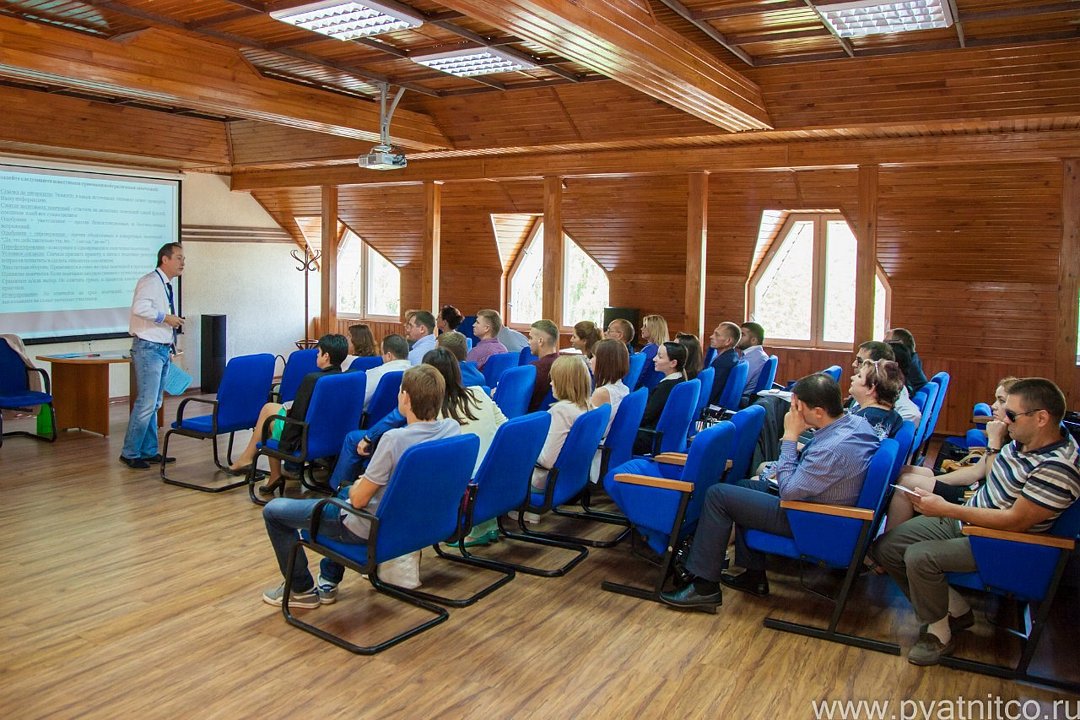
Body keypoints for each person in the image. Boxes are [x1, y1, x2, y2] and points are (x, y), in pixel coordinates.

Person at [871, 378, 1080, 666]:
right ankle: (955, 609)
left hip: (1001, 541)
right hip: (973, 518)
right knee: (887, 548)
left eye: (1011, 414)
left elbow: (1015, 522)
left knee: (919, 557)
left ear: (1041, 418)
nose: (1004, 419)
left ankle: (938, 633)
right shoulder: (1025, 439)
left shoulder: (1058, 467)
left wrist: (948, 509)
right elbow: (991, 477)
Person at [660, 373, 880, 611]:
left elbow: (788, 492)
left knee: (718, 495)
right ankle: (754, 576)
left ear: (818, 412)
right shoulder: (856, 423)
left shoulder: (831, 449)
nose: (793, 412)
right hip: (819, 503)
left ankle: (705, 588)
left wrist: (790, 436)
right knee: (743, 487)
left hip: (811, 519)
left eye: (797, 407)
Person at [260, 364, 460, 608]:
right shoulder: (451, 429)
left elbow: (358, 501)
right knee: (343, 493)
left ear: (405, 398)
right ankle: (328, 579)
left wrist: (358, 486)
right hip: (417, 523)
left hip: (371, 527)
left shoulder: (394, 440)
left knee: (274, 512)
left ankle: (300, 589)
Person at [880, 376, 1019, 534]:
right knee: (903, 471)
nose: (993, 406)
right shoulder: (1004, 433)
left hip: (977, 499)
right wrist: (932, 481)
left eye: (1001, 401)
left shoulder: (1009, 440)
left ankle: (890, 540)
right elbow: (974, 472)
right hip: (974, 485)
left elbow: (993, 483)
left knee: (907, 484)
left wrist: (994, 441)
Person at [228, 334, 348, 493]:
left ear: (326, 356)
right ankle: (257, 464)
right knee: (270, 409)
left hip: (305, 436)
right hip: (330, 435)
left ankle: (265, 469)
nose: (316, 356)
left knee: (269, 420)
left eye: (318, 353)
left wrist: (285, 441)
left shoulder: (313, 379)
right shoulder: (347, 378)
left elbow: (298, 414)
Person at [120, 242, 185, 469]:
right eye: (178, 258)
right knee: (146, 402)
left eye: (183, 259)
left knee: (155, 403)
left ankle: (148, 450)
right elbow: (139, 308)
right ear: (164, 259)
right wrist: (166, 318)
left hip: (161, 348)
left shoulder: (165, 284)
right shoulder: (150, 281)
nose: (182, 263)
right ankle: (129, 452)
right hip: (148, 349)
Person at [531, 355, 593, 493]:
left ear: (564, 383)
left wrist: (528, 449)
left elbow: (547, 461)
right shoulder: (589, 407)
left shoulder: (561, 411)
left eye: (554, 379)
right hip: (572, 478)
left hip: (542, 481)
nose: (551, 384)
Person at [633, 341, 688, 455]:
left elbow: (646, 416)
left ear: (673, 363)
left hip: (650, 437)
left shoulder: (666, 387)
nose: (654, 359)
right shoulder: (680, 380)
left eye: (660, 356)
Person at [850, 341, 922, 425]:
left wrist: (885, 427)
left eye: (859, 360)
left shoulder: (890, 391)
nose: (854, 364)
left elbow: (913, 414)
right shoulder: (867, 389)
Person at [589, 339, 630, 482]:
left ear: (604, 362)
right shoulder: (623, 388)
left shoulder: (602, 393)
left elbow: (590, 432)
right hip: (611, 451)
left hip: (596, 455)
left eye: (593, 357)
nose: (590, 361)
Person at [848, 358, 905, 440]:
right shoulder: (892, 415)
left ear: (871, 388)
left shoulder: (864, 422)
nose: (852, 377)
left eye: (859, 376)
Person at [363, 334, 411, 411]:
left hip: (377, 418)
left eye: (382, 354)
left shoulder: (378, 373)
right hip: (407, 417)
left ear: (389, 356)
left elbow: (360, 399)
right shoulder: (417, 373)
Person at [527, 319, 564, 412]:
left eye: (531, 338)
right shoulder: (564, 364)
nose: (528, 342)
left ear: (540, 341)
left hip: (531, 416)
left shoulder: (534, 369)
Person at [706, 321, 741, 406]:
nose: (711, 337)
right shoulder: (733, 355)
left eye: (717, 335)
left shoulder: (722, 363)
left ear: (728, 341)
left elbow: (709, 393)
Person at [886, 328, 929, 393]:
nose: (885, 345)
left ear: (899, 343)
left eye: (886, 342)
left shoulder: (905, 365)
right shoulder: (913, 359)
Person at [637, 315, 670, 389]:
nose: (641, 329)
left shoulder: (651, 349)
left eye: (645, 326)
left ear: (653, 329)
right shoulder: (662, 347)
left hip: (645, 389)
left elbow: (638, 373)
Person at [738, 322, 769, 393]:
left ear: (753, 340)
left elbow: (737, 384)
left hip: (743, 397)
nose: (738, 337)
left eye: (742, 335)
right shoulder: (757, 354)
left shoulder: (753, 359)